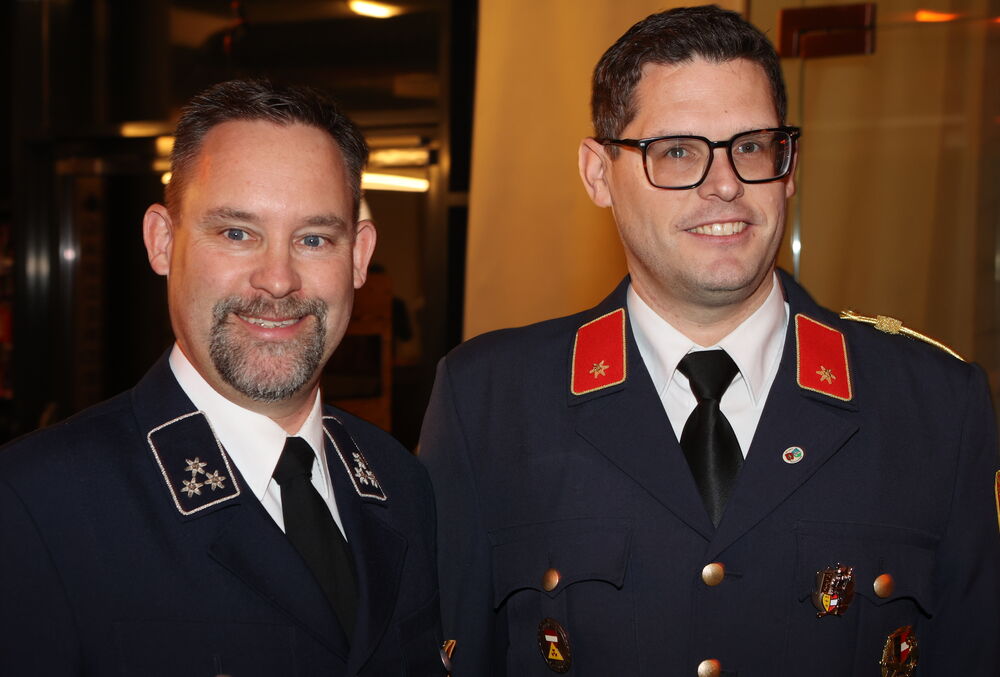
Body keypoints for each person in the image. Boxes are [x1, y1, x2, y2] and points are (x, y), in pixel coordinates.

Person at [419, 6, 1000, 676]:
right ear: (598, 173)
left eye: (751, 147)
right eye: (677, 152)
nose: (725, 185)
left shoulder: (934, 406)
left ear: (789, 167)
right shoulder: (490, 402)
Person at [0, 80, 445, 676]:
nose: (278, 280)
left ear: (358, 257)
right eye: (237, 233)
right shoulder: (35, 505)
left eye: (314, 239)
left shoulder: (402, 484)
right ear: (162, 241)